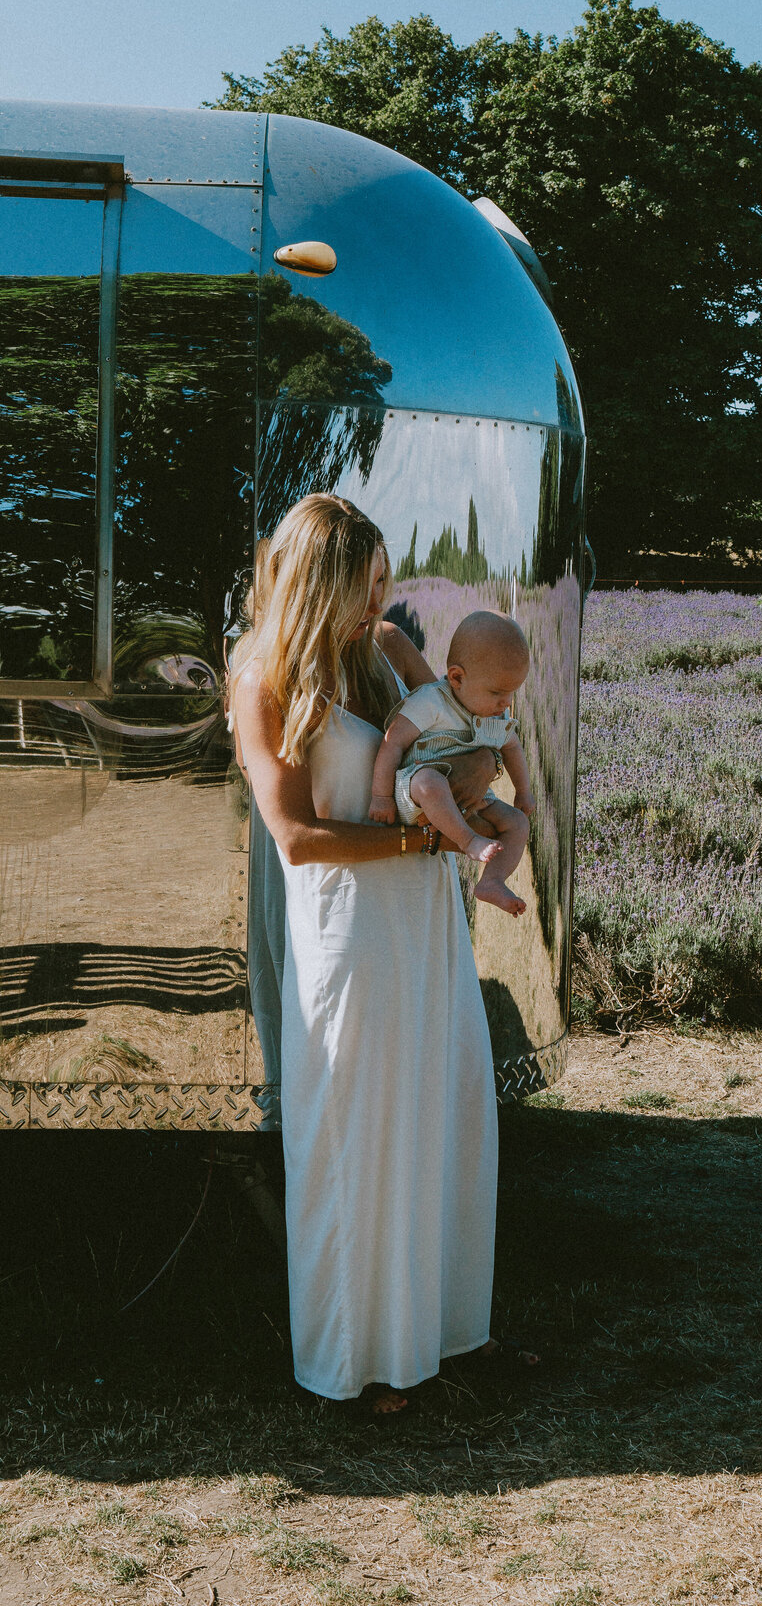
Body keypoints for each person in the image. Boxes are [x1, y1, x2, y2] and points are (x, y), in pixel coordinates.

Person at [230, 493, 536, 1416]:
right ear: (322, 581)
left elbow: (445, 736)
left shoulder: (368, 660)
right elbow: (295, 835)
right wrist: (423, 845)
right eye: (366, 588)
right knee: (359, 1143)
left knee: (439, 1124)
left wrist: (475, 788)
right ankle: (355, 1362)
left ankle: (437, 1336)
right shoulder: (264, 677)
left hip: (425, 926)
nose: (381, 605)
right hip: (352, 937)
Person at [368, 611, 534, 918]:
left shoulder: (492, 714)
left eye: (512, 693)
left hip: (467, 798)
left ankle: (492, 881)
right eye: (497, 693)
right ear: (457, 677)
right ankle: (469, 841)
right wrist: (380, 796)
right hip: (415, 790)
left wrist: (523, 791)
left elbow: (512, 746)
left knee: (517, 823)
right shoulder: (431, 701)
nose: (506, 703)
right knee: (429, 782)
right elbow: (393, 742)